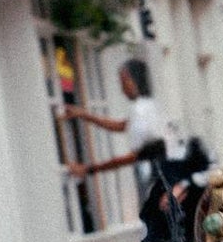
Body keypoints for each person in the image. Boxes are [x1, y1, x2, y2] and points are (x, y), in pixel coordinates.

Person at [58, 56, 191, 196]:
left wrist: (89, 169)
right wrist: (83, 114)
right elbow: (121, 126)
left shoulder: (141, 109)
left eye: (123, 82)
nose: (122, 89)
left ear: (134, 81)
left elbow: (131, 157)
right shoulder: (148, 105)